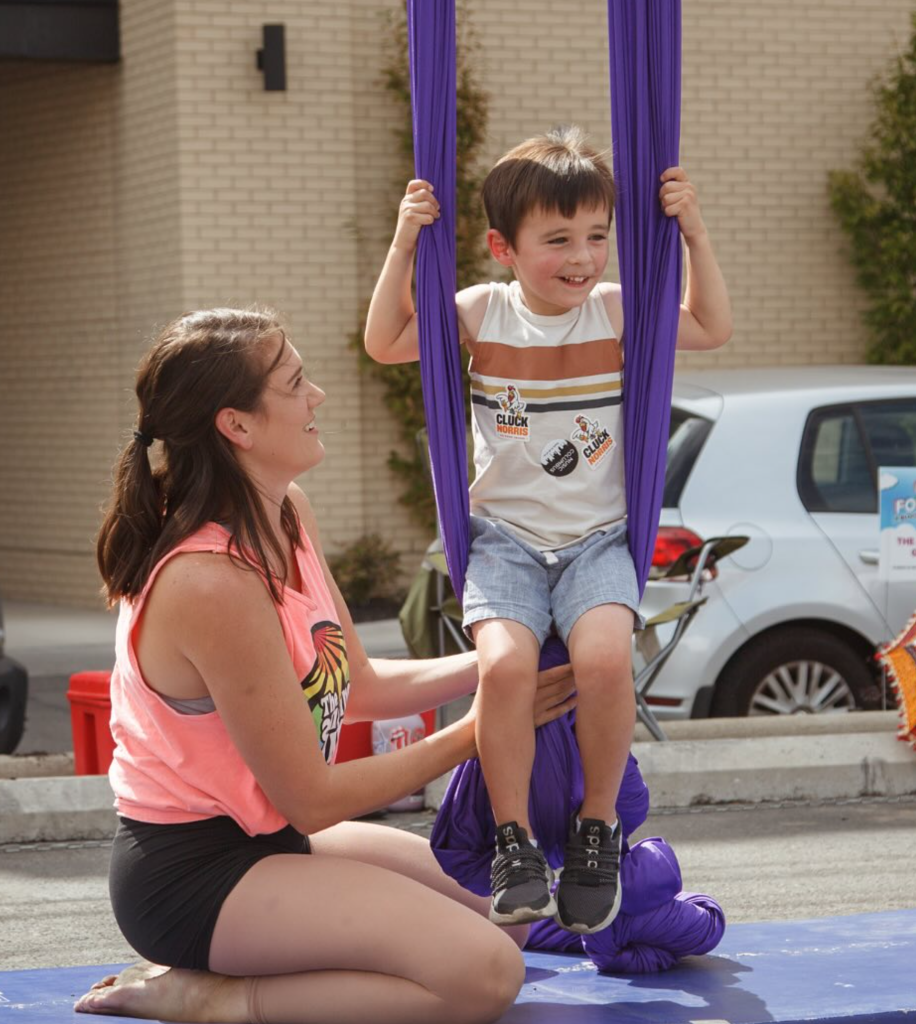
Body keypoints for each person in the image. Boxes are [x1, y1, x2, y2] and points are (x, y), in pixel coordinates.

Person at [74, 307, 577, 1024]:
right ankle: (215, 997)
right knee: (486, 972)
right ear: (237, 426)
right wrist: (486, 727)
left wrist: (502, 662)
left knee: (510, 917)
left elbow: (361, 687)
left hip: (277, 839)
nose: (318, 397)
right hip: (197, 875)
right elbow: (310, 797)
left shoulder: (286, 513)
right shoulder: (211, 582)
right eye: (296, 382)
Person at [365, 126, 732, 934]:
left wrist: (693, 232)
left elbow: (708, 327)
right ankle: (515, 843)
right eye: (558, 239)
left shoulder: (615, 310)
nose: (583, 256)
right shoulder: (481, 310)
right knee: (504, 672)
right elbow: (385, 341)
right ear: (503, 246)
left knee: (605, 662)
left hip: (600, 538)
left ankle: (596, 829)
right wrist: (405, 238)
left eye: (598, 236)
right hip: (503, 543)